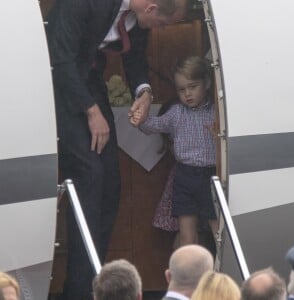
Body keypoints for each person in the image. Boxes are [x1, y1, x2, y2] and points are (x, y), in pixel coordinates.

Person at [45, 0, 187, 299]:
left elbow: (135, 58)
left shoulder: (135, 16)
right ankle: (78, 291)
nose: (159, 29)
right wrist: (91, 111)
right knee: (89, 178)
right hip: (58, 84)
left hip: (89, 84)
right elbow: (61, 59)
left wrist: (144, 92)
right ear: (150, 8)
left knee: (110, 183)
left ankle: (96, 281)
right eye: (161, 24)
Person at [133, 56, 218, 247]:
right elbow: (154, 125)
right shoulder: (176, 113)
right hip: (184, 177)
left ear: (207, 83)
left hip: (211, 176)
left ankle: (222, 274)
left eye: (192, 86)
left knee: (219, 232)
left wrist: (219, 135)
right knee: (187, 236)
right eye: (181, 89)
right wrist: (140, 119)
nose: (187, 93)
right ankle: (189, 275)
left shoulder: (216, 113)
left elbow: (227, 141)